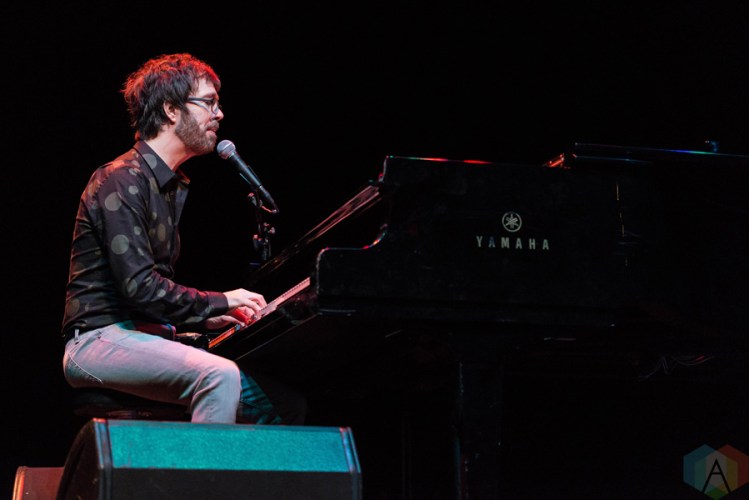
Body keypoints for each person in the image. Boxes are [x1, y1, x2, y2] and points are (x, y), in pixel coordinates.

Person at [60, 53, 305, 425]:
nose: (219, 114)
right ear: (172, 110)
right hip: (94, 341)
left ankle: (236, 466)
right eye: (209, 103)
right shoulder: (120, 179)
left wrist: (209, 317)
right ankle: (200, 467)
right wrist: (221, 300)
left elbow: (149, 296)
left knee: (284, 404)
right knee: (218, 376)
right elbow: (140, 288)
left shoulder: (168, 185)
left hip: (141, 334)